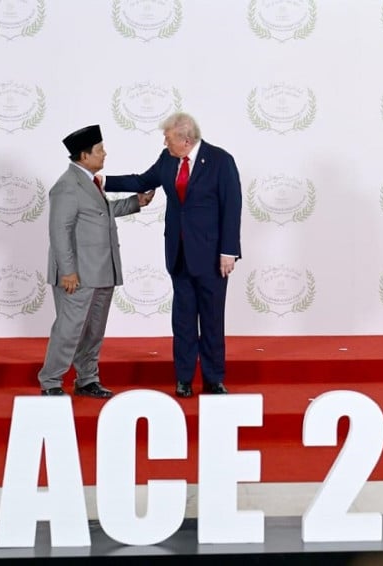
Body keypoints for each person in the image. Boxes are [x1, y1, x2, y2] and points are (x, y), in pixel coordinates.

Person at [104, 112, 242, 398]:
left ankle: (214, 379)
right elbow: (141, 181)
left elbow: (232, 207)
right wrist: (102, 181)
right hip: (179, 254)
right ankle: (184, 378)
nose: (164, 143)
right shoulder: (168, 159)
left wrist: (229, 251)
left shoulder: (220, 161)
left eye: (168, 138)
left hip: (212, 256)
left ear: (186, 140)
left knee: (212, 319)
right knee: (183, 320)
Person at [38, 124, 154, 397]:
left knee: (93, 331)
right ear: (84, 155)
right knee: (69, 330)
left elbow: (101, 211)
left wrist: (136, 202)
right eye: (100, 150)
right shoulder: (67, 186)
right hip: (77, 274)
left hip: (101, 271)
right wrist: (68, 271)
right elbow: (59, 231)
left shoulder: (89, 182)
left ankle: (87, 379)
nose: (105, 154)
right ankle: (51, 381)